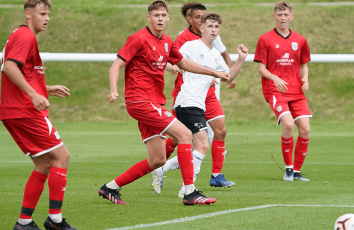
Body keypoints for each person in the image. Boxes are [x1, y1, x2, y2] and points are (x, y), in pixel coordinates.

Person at [98, 0, 231, 206]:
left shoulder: (168, 41)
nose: (160, 19)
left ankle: (110, 188)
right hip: (140, 101)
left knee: (158, 159)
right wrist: (114, 90)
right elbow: (116, 66)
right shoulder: (138, 38)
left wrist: (212, 72)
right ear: (149, 18)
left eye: (163, 15)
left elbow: (183, 63)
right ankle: (190, 192)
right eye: (156, 15)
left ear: (168, 18)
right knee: (185, 134)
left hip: (154, 103)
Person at [0, 1, 76, 229]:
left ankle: (24, 222)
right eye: (42, 13)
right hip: (24, 110)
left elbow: (19, 70)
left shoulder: (18, 35)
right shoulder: (26, 37)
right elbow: (10, 67)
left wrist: (45, 89)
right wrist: (33, 94)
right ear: (28, 14)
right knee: (62, 156)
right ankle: (55, 220)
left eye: (48, 14)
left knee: (43, 164)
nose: (47, 18)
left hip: (13, 110)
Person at [151, 4, 236, 197]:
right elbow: (173, 60)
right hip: (188, 95)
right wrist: (173, 67)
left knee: (218, 131)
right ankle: (167, 171)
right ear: (191, 20)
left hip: (207, 93)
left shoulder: (213, 40)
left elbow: (222, 58)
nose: (204, 23)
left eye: (206, 19)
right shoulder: (185, 40)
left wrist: (231, 69)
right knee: (183, 139)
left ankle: (214, 176)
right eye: (199, 17)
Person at [254, 1, 312, 182]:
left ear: (291, 16)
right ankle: (287, 169)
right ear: (274, 17)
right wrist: (276, 78)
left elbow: (304, 63)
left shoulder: (300, 39)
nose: (283, 18)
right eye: (279, 15)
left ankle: (296, 171)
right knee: (288, 125)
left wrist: (306, 79)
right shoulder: (265, 39)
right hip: (275, 90)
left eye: (286, 15)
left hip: (296, 91)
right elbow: (261, 69)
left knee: (305, 129)